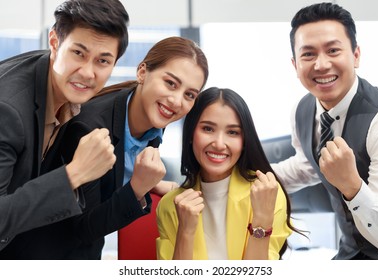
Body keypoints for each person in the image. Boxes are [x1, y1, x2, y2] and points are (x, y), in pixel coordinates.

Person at [0, 36, 209, 259]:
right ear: (142, 72)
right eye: (170, 83)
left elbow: (122, 165)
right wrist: (137, 188)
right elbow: (83, 227)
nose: (176, 101)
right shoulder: (89, 129)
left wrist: (149, 182)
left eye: (189, 95)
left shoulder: (155, 117)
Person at [0, 0, 129, 252]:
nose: (88, 73)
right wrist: (75, 173)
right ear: (54, 42)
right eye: (78, 53)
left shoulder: (66, 90)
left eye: (103, 61)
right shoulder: (7, 110)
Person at [271, 2, 378, 260]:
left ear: (356, 55)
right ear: (294, 64)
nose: (321, 65)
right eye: (308, 54)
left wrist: (351, 185)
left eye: (333, 50)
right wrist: (237, 178)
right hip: (348, 252)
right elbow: (307, 166)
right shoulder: (302, 110)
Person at [156, 87, 297, 260]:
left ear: (244, 141)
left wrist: (262, 220)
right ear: (191, 134)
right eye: (208, 129)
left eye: (232, 132)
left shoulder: (266, 194)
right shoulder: (170, 205)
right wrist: (185, 231)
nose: (219, 144)